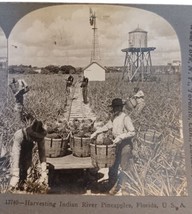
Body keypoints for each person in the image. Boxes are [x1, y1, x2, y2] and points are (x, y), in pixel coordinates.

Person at [90, 98, 135, 195]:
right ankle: (111, 185)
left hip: (125, 145)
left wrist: (121, 136)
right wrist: (96, 132)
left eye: (117, 107)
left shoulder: (125, 118)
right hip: (116, 145)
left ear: (121, 107)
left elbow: (132, 132)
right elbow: (107, 126)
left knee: (124, 167)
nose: (115, 109)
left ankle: (123, 188)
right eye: (114, 108)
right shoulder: (114, 117)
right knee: (113, 165)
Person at [9, 119, 48, 192]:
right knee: (16, 176)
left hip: (28, 153)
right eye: (33, 137)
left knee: (28, 172)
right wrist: (15, 174)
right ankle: (13, 188)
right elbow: (16, 154)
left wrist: (44, 171)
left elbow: (42, 153)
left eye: (37, 138)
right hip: (16, 153)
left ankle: (26, 188)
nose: (35, 141)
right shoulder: (19, 135)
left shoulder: (40, 137)